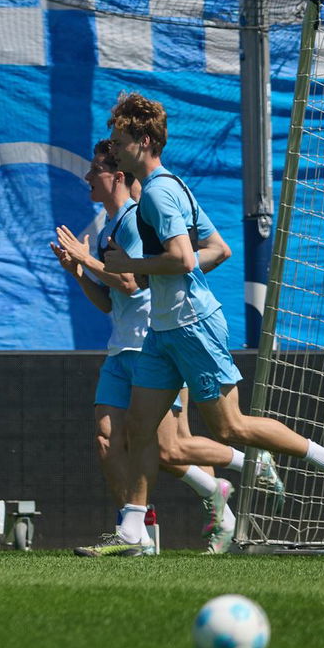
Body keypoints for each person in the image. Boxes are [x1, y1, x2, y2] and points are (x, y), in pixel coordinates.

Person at [80, 91, 324, 556]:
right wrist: (149, 269)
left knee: (230, 428)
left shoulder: (158, 191)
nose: (113, 150)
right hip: (164, 330)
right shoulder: (166, 188)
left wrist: (131, 264)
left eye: (120, 141)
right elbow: (217, 251)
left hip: (193, 326)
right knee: (138, 426)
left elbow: (182, 256)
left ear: (145, 141)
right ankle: (132, 533)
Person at [53, 138, 279, 556]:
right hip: (120, 347)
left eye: (94, 171)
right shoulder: (108, 226)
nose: (87, 178)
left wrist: (86, 259)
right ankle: (134, 532)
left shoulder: (138, 217)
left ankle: (245, 467)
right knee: (108, 441)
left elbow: (130, 280)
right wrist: (79, 273)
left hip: (152, 343)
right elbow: (110, 300)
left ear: (116, 175)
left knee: (167, 447)